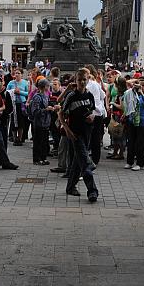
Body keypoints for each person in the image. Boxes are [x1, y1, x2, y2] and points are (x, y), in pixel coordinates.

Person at [59, 68, 99, 202]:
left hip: (87, 131)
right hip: (76, 134)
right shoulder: (71, 96)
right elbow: (61, 114)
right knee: (85, 164)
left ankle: (70, 186)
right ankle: (92, 191)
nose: (82, 82)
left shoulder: (89, 95)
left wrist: (92, 116)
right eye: (79, 80)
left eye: (84, 80)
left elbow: (92, 111)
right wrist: (67, 130)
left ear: (88, 80)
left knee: (78, 161)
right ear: (75, 80)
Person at [124, 77, 144, 171]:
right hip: (132, 121)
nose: (141, 87)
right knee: (131, 142)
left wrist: (142, 94)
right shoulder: (132, 94)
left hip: (142, 123)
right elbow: (126, 100)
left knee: (140, 144)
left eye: (143, 85)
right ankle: (129, 162)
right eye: (140, 85)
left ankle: (140, 163)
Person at [29, 77, 53, 165]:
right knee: (38, 142)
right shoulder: (37, 97)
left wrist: (52, 108)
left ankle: (43, 157)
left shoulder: (46, 96)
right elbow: (35, 111)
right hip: (39, 123)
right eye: (47, 86)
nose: (49, 88)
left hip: (46, 123)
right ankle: (37, 159)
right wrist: (46, 109)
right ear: (44, 87)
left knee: (44, 142)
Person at [86, 64, 106, 166]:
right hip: (98, 113)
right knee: (96, 137)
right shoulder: (96, 84)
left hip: (92, 114)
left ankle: (90, 159)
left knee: (89, 137)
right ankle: (95, 159)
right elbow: (103, 95)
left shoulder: (88, 85)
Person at [6, 68, 29, 145]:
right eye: (16, 73)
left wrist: (20, 92)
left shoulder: (25, 83)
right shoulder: (11, 83)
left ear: (21, 74)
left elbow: (28, 93)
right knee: (14, 121)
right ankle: (14, 138)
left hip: (21, 104)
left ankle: (20, 138)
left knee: (21, 122)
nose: (17, 74)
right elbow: (7, 92)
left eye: (19, 73)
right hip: (13, 104)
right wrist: (13, 91)